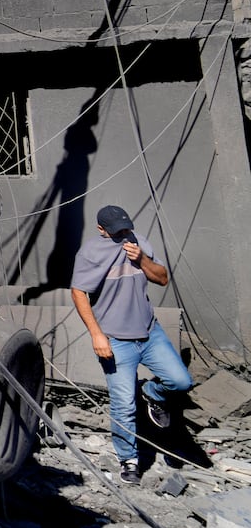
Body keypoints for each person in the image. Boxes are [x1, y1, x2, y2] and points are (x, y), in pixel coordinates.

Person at [70, 204, 193, 485]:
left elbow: (162, 278)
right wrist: (96, 334)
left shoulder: (138, 242)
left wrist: (142, 260)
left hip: (149, 333)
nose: (124, 234)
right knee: (123, 404)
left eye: (126, 228)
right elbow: (78, 292)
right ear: (101, 229)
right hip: (115, 339)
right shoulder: (90, 253)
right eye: (117, 231)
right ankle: (129, 458)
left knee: (181, 382)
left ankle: (152, 393)